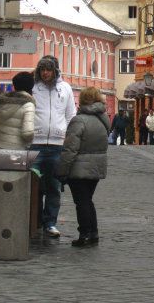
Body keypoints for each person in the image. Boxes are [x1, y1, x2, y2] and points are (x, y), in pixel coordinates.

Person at [57, 87, 109, 247]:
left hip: (79, 168)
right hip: (97, 167)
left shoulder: (79, 120)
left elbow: (70, 148)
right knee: (88, 200)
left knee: (82, 202)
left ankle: (85, 234)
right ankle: (93, 233)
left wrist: (61, 170)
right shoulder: (103, 119)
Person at [31, 55, 76, 238]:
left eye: (48, 69)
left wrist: (67, 138)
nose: (45, 73)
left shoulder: (65, 89)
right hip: (35, 144)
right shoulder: (34, 88)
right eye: (42, 70)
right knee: (33, 186)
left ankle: (50, 222)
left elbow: (70, 115)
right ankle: (34, 221)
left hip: (57, 145)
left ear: (55, 70)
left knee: (54, 187)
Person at [0, 71, 35, 150]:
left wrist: (3, 130)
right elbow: (27, 132)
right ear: (31, 87)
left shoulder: (4, 101)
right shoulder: (29, 105)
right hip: (18, 149)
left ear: (14, 86)